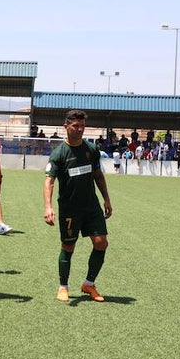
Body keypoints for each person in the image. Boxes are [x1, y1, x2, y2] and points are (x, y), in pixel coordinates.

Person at [44, 109, 113, 302]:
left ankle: (89, 284)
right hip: (70, 208)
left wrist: (106, 199)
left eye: (83, 126)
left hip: (91, 206)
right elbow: (49, 181)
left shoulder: (91, 150)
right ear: (66, 126)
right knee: (68, 246)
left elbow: (98, 175)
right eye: (76, 126)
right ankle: (63, 287)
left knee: (101, 243)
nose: (80, 129)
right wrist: (48, 207)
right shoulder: (59, 154)